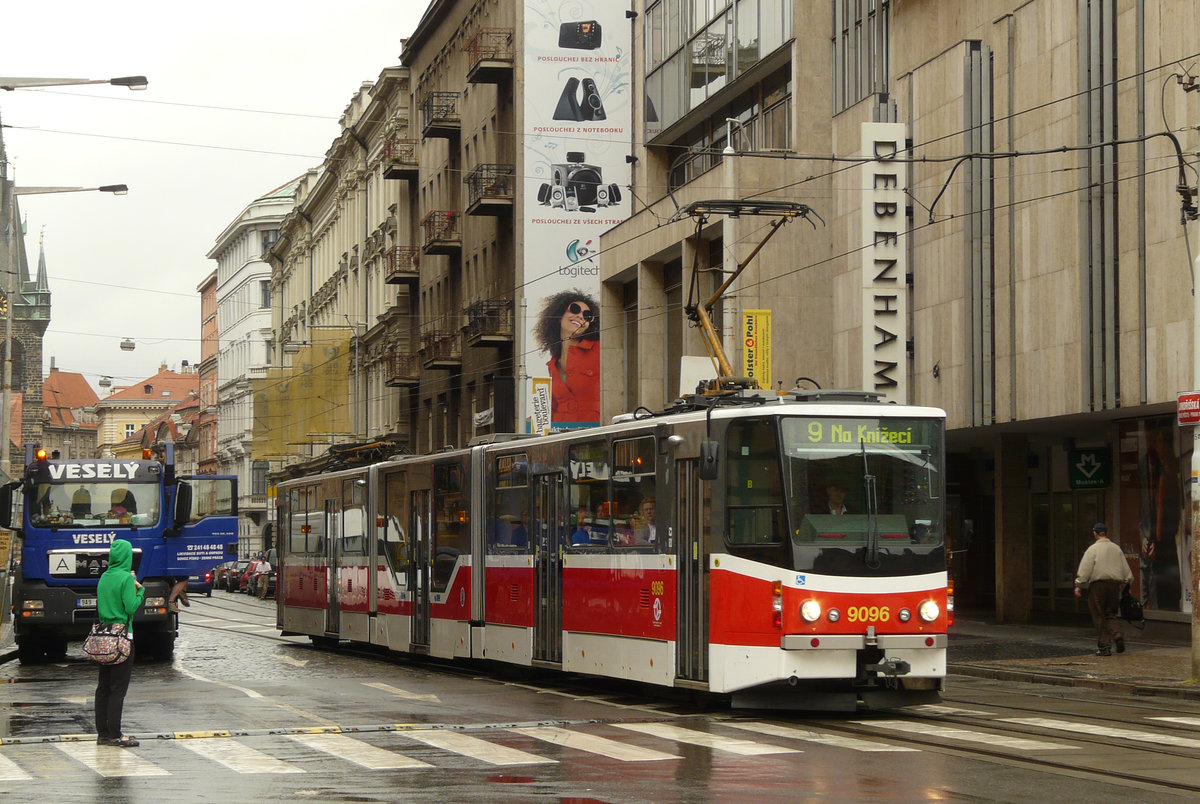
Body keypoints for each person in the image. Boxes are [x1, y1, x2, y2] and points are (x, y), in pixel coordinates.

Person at [95, 538, 144, 748]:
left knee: (103, 687)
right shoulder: (126, 578)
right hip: (122, 637)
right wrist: (140, 590)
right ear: (127, 557)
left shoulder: (104, 577)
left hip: (104, 637)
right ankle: (116, 734)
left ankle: (103, 734)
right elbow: (131, 607)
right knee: (118, 689)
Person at [534, 289, 600, 427]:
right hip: (562, 438)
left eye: (587, 315)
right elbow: (552, 408)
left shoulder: (600, 350)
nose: (581, 317)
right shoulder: (552, 365)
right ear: (559, 315)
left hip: (594, 433)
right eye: (574, 309)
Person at [1074, 522, 1133, 656]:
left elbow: (1085, 569)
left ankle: (1104, 647)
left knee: (1099, 615)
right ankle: (1118, 636)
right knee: (1111, 613)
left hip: (1098, 586)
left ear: (1095, 533)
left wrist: (1079, 584)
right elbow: (1125, 569)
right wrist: (1127, 584)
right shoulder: (1116, 548)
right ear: (1106, 533)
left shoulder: (1092, 549)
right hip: (1114, 585)